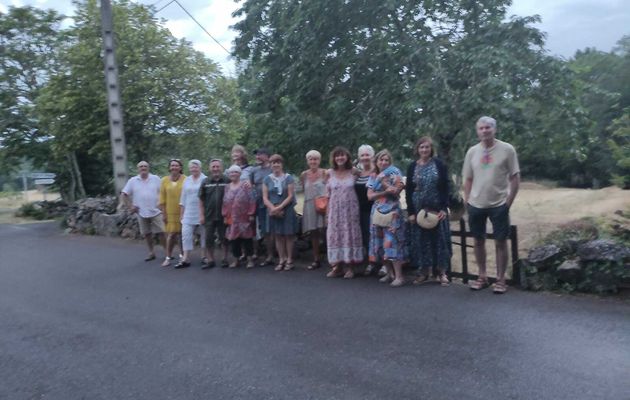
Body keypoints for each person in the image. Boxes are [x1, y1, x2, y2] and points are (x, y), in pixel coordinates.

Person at [463, 116, 520, 294]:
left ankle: (501, 279)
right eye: (481, 128)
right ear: (477, 131)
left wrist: (507, 203)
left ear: (494, 129)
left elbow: (515, 178)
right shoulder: (472, 151)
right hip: (476, 204)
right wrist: (467, 202)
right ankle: (482, 276)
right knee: (478, 241)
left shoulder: (507, 149)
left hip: (499, 204)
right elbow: (468, 179)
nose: (484, 131)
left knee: (500, 242)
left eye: (488, 128)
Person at [406, 136, 452, 286]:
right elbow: (409, 190)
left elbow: (445, 186)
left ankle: (442, 273)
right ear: (417, 149)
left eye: (427, 147)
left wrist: (444, 208)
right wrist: (411, 212)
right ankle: (423, 273)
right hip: (419, 210)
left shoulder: (439, 165)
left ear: (431, 149)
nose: (424, 150)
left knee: (440, 242)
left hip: (436, 210)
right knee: (421, 242)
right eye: (421, 147)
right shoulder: (413, 166)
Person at [367, 150, 406, 287]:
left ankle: (399, 276)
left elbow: (396, 192)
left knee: (392, 242)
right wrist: (384, 190)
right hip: (377, 212)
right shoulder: (373, 176)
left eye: (386, 160)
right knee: (379, 244)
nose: (383, 162)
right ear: (376, 161)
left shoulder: (395, 173)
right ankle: (389, 274)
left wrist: (384, 183)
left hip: (392, 212)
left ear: (390, 162)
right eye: (381, 160)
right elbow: (369, 196)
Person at [326, 146, 363, 278]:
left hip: (350, 210)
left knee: (349, 235)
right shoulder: (329, 173)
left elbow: (367, 178)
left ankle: (350, 267)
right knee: (335, 236)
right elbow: (327, 194)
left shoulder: (353, 172)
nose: (340, 158)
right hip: (334, 210)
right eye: (337, 156)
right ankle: (338, 267)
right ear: (334, 158)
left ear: (347, 157)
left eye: (342, 155)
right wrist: (326, 212)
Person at [121, 161, 165, 261]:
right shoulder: (133, 180)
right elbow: (124, 194)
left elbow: (163, 192)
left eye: (145, 166)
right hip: (141, 212)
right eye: (141, 166)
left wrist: (162, 204)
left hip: (156, 211)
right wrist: (130, 206)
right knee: (147, 233)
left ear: (148, 168)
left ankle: (167, 252)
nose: (143, 168)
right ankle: (151, 252)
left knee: (163, 231)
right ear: (138, 169)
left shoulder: (156, 179)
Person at [262, 154, 299, 271]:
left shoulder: (288, 178)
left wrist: (280, 207)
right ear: (270, 165)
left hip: (287, 210)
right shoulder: (267, 179)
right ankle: (281, 259)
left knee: (288, 235)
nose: (276, 165)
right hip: (273, 210)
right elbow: (265, 197)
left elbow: (290, 195)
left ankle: (289, 260)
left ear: (282, 164)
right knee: (277, 236)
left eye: (278, 162)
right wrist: (272, 208)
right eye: (273, 163)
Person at [222, 165, 257, 268]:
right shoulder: (227, 187)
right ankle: (236, 260)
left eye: (236, 172)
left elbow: (252, 200)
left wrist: (251, 213)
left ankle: (250, 260)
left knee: (247, 239)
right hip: (231, 217)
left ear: (240, 174)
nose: (233, 174)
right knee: (234, 240)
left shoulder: (246, 185)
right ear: (229, 174)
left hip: (244, 216)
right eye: (231, 172)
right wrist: (224, 215)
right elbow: (224, 202)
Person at [198, 159, 230, 269]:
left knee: (224, 238)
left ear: (221, 167)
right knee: (208, 238)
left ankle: (224, 259)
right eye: (213, 167)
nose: (215, 169)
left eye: (217, 166)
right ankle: (210, 260)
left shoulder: (227, 180)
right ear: (210, 168)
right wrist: (201, 215)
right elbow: (201, 200)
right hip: (209, 215)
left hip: (223, 215)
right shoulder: (205, 182)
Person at [175, 160, 207, 269]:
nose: (193, 169)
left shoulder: (205, 179)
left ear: (200, 168)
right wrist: (181, 214)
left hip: (202, 211)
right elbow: (183, 198)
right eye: (192, 167)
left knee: (204, 235)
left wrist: (205, 213)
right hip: (188, 212)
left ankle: (204, 256)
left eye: (196, 167)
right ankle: (185, 258)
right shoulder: (187, 180)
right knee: (186, 234)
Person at [299, 150, 327, 270]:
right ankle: (316, 259)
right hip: (310, 205)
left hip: (323, 205)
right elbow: (304, 190)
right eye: (310, 159)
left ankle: (332, 259)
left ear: (319, 160)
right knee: (314, 233)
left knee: (326, 231)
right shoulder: (304, 175)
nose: (313, 161)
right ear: (307, 161)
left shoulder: (325, 173)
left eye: (315, 159)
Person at [354, 144, 377, 276]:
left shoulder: (377, 171)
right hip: (361, 210)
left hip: (376, 209)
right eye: (362, 155)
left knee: (378, 236)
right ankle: (371, 262)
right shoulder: (358, 173)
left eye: (367, 154)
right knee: (366, 237)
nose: (365, 157)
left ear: (372, 156)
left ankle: (383, 264)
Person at [159, 159, 186, 267]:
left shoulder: (186, 179)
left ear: (180, 168)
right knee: (171, 236)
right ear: (169, 167)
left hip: (182, 211)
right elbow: (162, 198)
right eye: (172, 165)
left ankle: (182, 257)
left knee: (182, 236)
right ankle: (168, 257)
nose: (174, 167)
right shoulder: (164, 180)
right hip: (169, 212)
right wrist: (163, 213)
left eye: (177, 165)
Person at [249, 147, 274, 266]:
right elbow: (251, 186)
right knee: (254, 228)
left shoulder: (272, 169)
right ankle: (255, 253)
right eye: (256, 155)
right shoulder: (254, 171)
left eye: (260, 154)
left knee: (267, 230)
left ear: (267, 156)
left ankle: (270, 256)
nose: (257, 157)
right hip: (256, 203)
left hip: (270, 203)